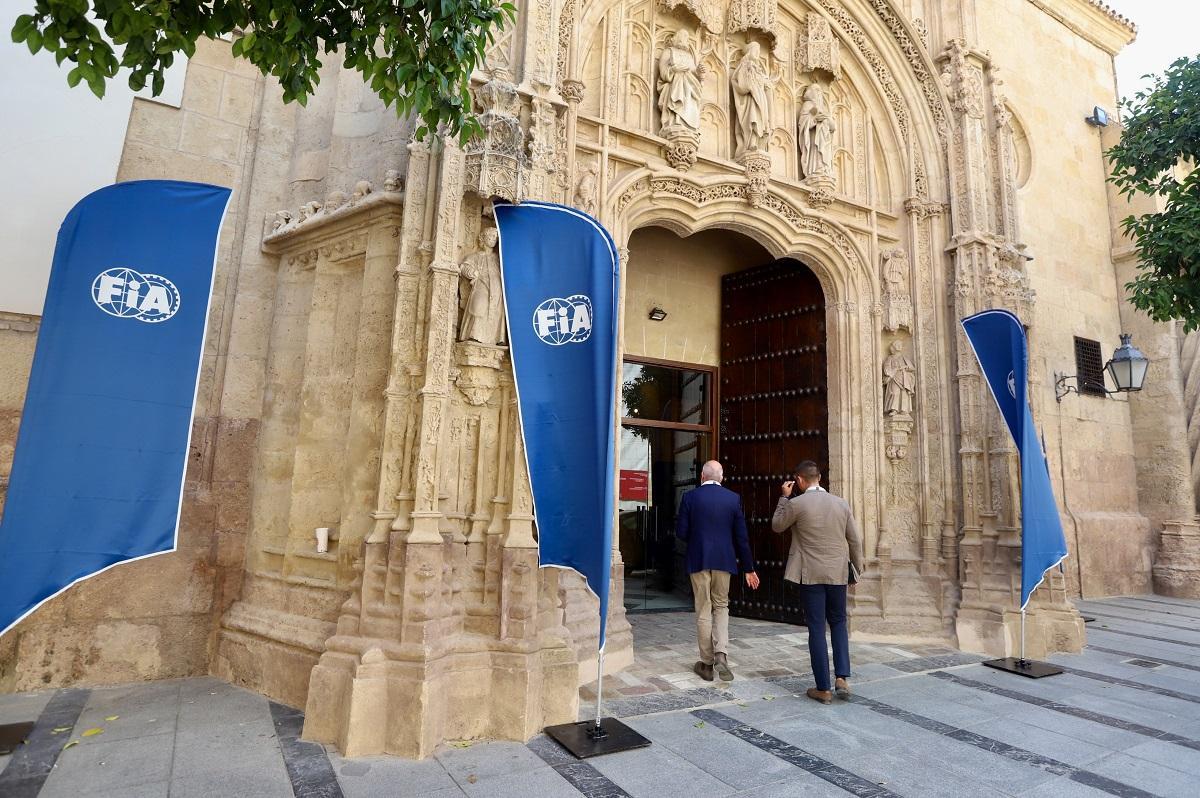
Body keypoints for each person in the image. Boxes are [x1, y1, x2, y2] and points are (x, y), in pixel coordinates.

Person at [771, 461, 865, 704]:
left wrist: (784, 497)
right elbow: (854, 541)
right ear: (819, 478)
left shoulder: (796, 503)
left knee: (816, 627)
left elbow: (777, 525)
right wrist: (856, 571)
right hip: (837, 573)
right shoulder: (841, 503)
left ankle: (823, 688)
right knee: (839, 622)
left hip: (810, 574)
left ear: (799, 481)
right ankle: (842, 677)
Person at [676, 460, 760, 682]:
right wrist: (749, 568)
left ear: (702, 477)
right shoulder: (732, 499)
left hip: (699, 559)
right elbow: (741, 538)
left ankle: (706, 663)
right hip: (724, 560)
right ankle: (721, 653)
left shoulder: (690, 498)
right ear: (721, 478)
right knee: (721, 606)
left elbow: (681, 533)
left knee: (703, 609)